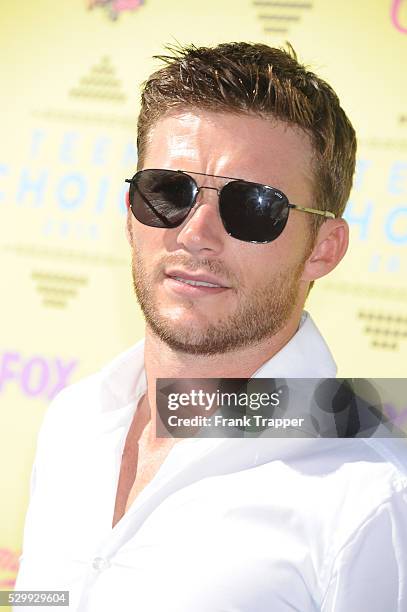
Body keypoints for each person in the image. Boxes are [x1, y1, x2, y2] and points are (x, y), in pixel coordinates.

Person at [15, 42, 407, 611]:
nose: (195, 234)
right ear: (131, 212)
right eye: (168, 192)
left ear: (324, 248)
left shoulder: (375, 497)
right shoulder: (75, 422)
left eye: (252, 206)